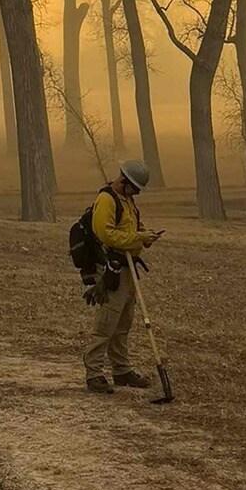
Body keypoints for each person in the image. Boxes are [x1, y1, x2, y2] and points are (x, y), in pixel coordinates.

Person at [83, 158, 161, 394]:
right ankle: (94, 373)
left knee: (124, 322)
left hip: (128, 269)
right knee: (107, 322)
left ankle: (121, 370)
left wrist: (144, 235)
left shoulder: (127, 201)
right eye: (135, 188)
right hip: (111, 268)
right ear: (124, 181)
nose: (136, 193)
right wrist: (136, 239)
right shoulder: (106, 199)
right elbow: (106, 235)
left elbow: (130, 229)